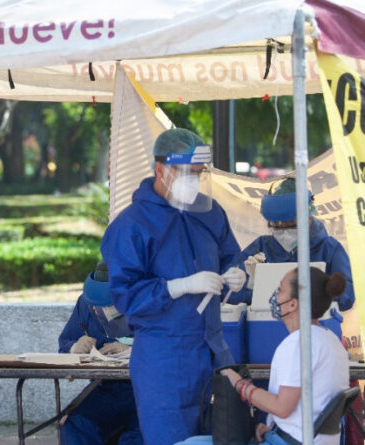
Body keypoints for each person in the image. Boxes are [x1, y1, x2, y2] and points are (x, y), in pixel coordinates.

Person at [101, 128, 247, 445]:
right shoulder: (132, 225)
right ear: (160, 170)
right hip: (164, 359)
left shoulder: (209, 212)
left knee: (221, 438)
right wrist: (177, 286)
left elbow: (229, 255)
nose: (194, 181)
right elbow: (125, 294)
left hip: (214, 350)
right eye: (187, 173)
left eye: (199, 173)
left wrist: (236, 273)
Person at [175, 267, 350, 445]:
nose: (276, 294)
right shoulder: (330, 340)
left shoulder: (300, 343)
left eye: (281, 289)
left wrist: (239, 385)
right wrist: (274, 428)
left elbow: (282, 408)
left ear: (293, 304)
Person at [228, 177, 354, 339]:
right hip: (267, 334)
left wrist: (319, 292)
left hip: (318, 334)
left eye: (291, 224)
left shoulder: (329, 249)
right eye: (277, 226)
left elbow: (347, 297)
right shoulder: (260, 248)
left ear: (308, 217)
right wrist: (252, 289)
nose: (284, 231)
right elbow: (228, 294)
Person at [58, 262, 142, 445]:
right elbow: (64, 343)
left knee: (137, 437)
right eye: (98, 307)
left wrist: (132, 349)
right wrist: (74, 348)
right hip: (105, 389)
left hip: (144, 390)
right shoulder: (87, 302)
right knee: (74, 425)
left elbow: (169, 345)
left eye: (111, 304)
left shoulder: (147, 301)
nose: (103, 311)